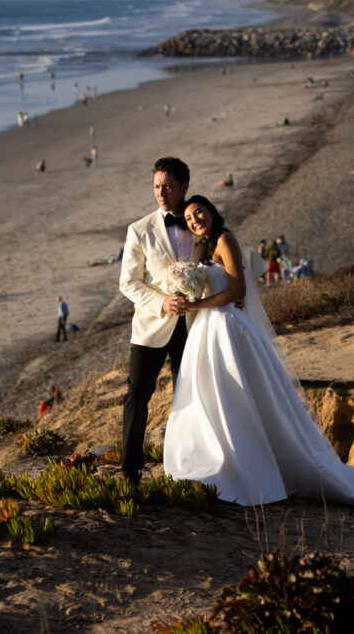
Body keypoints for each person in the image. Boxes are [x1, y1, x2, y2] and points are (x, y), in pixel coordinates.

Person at [163, 195, 354, 510]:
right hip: (207, 329)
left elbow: (238, 291)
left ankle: (251, 466)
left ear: (211, 211)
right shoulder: (203, 246)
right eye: (190, 217)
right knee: (211, 394)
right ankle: (218, 459)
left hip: (227, 329)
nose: (195, 220)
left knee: (237, 397)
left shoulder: (225, 239)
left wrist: (195, 304)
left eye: (199, 212)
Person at [117, 157, 204, 484]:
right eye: (156, 186)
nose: (161, 192)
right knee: (137, 396)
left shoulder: (200, 225)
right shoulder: (139, 230)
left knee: (193, 394)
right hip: (151, 326)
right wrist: (162, 302)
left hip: (194, 324)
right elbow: (128, 282)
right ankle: (130, 471)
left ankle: (192, 466)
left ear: (184, 186)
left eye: (167, 185)